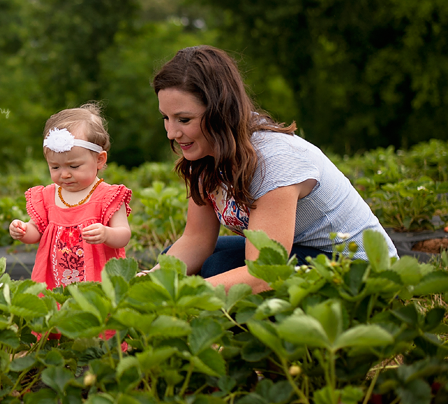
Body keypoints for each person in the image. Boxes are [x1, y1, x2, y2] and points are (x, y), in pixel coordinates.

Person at [152, 45, 397, 292]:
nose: (172, 133)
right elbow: (196, 240)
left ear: (219, 110)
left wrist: (178, 297)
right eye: (166, 117)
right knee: (172, 262)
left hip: (360, 270)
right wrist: (147, 283)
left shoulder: (274, 161)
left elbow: (265, 275)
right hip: (302, 254)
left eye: (184, 120)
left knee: (219, 267)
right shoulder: (204, 152)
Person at [9, 104, 132, 289]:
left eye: (74, 167)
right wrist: (24, 231)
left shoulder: (108, 196)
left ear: (99, 160)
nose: (64, 174)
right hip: (56, 278)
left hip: (97, 278)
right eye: (55, 167)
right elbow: (38, 231)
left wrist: (106, 233)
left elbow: (124, 235)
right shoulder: (48, 196)